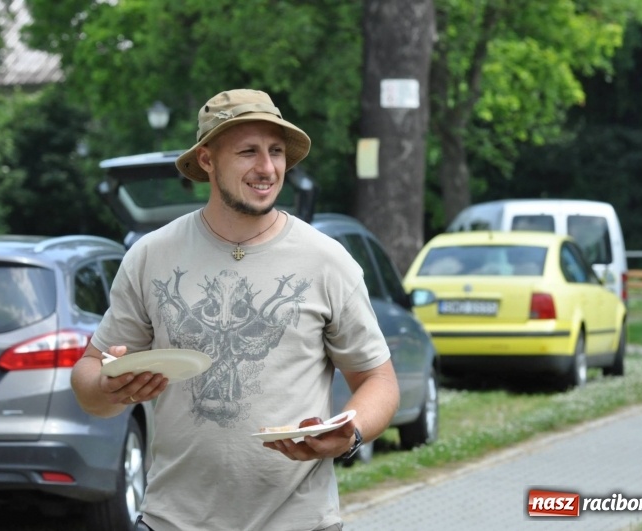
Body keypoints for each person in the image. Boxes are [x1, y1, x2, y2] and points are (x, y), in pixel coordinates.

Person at [71, 88, 400, 531]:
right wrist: (112, 386)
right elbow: (89, 376)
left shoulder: (327, 260)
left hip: (299, 523)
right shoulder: (151, 256)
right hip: (172, 522)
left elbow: (378, 380)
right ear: (207, 160)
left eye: (276, 152)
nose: (267, 168)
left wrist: (350, 431)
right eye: (248, 152)